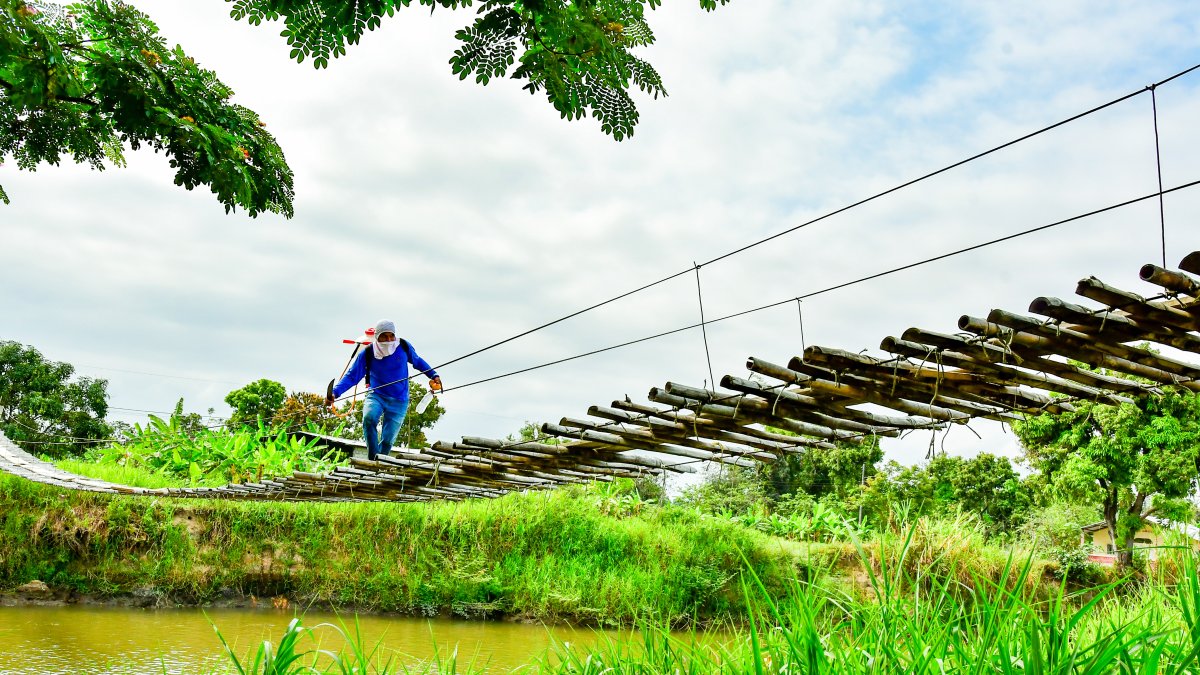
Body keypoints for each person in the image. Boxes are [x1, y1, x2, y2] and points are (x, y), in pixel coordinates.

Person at [327, 320, 442, 461]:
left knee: (388, 440)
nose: (388, 340)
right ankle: (372, 458)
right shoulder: (368, 353)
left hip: (399, 400)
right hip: (376, 395)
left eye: (391, 336)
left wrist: (433, 375)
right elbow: (352, 376)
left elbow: (417, 361)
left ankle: (379, 464)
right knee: (369, 418)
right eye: (384, 336)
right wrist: (335, 393)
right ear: (377, 337)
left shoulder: (403, 346)